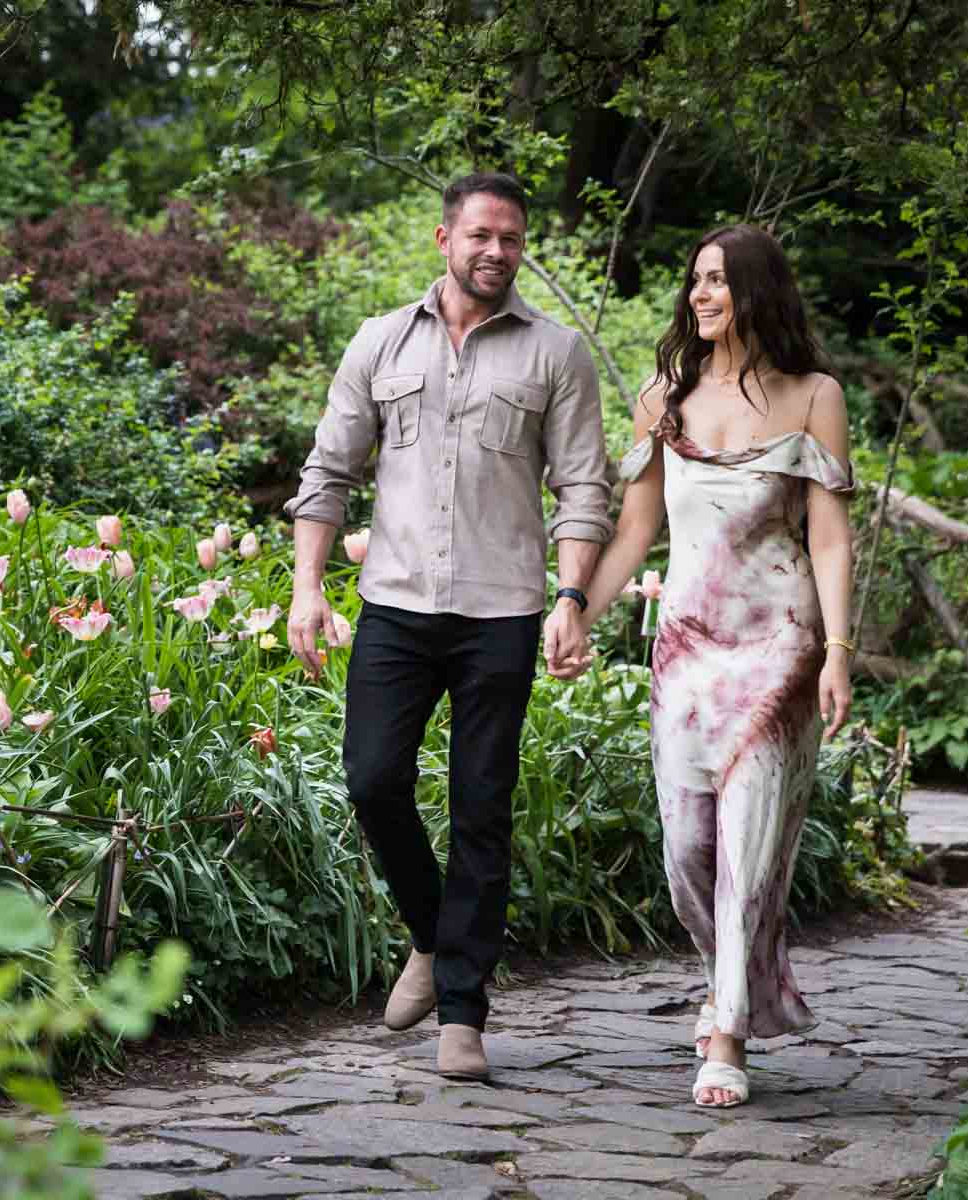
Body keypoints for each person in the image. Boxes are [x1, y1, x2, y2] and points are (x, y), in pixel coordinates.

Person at [284, 172, 612, 1082]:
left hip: (502, 612)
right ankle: (431, 936)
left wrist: (573, 598)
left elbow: (585, 488)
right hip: (392, 603)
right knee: (372, 779)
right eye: (480, 236)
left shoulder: (558, 354)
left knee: (482, 808)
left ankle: (463, 1012)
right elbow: (329, 471)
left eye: (510, 238)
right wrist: (308, 590)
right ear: (443, 239)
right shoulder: (378, 341)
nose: (496, 252)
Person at [573, 223, 855, 1108]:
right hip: (688, 655)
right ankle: (735, 977)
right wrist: (576, 607)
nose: (701, 295)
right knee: (689, 854)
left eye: (719, 282)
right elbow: (633, 531)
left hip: (780, 651)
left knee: (749, 845)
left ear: (758, 294)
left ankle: (727, 1033)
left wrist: (838, 653)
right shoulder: (665, 394)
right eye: (695, 280)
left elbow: (830, 537)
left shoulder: (815, 396)